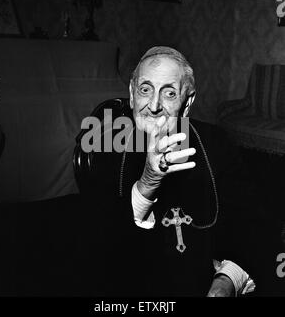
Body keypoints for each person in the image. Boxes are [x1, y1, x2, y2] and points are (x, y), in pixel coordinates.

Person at [81, 46, 265, 297]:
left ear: (187, 103)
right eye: (145, 90)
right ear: (132, 96)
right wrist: (148, 181)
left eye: (169, 93)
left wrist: (227, 280)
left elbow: (251, 227)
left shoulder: (216, 144)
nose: (154, 105)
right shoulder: (104, 148)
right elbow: (98, 249)